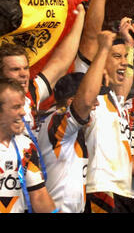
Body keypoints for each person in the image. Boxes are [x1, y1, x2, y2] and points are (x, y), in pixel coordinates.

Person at [0, 4, 86, 138]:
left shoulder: (31, 93)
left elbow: (61, 61)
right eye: (15, 69)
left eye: (25, 68)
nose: (23, 74)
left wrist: (80, 15)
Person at [0, 78, 58, 213]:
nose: (23, 112)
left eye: (22, 106)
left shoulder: (26, 147)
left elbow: (39, 196)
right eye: (16, 107)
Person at [37, 72, 90, 213]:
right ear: (72, 102)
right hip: (59, 209)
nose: (96, 104)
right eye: (93, 99)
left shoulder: (50, 118)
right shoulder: (58, 121)